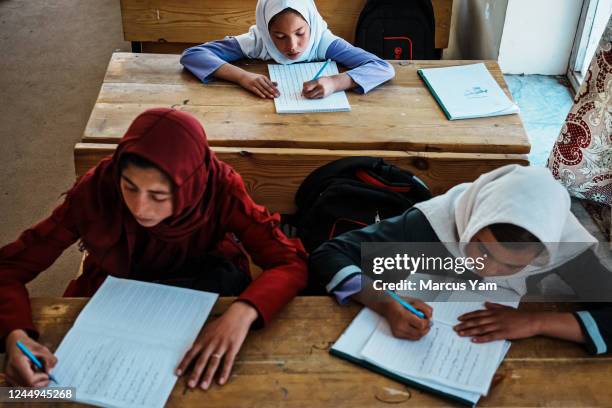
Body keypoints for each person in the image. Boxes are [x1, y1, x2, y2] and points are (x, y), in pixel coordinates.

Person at [0, 108, 308, 388]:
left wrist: (243, 311)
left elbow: (289, 261)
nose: (140, 208)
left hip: (199, 287)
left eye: (159, 195)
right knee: (60, 391)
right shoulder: (97, 188)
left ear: (189, 185)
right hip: (117, 290)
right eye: (129, 187)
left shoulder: (220, 188)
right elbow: (10, 268)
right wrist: (16, 335)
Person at [310, 165, 612, 354]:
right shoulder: (431, 222)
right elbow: (330, 254)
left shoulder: (563, 245)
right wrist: (383, 301)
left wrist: (537, 322)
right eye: (482, 249)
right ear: (472, 222)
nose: (488, 269)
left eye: (512, 266)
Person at [180, 0, 394, 100]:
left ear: (311, 23)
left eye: (300, 33)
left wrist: (335, 82)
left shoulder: (322, 41)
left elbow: (382, 67)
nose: (292, 46)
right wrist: (242, 77)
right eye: (279, 37)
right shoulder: (258, 41)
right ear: (266, 30)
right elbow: (193, 55)